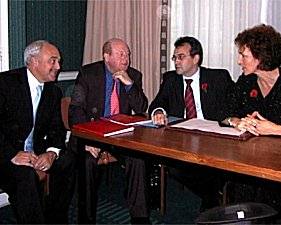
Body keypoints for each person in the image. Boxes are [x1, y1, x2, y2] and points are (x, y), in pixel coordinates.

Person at [222, 24, 281, 222]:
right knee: (240, 177)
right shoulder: (246, 81)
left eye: (244, 56)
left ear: (261, 57)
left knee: (256, 184)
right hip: (254, 156)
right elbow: (223, 112)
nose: (239, 61)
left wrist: (276, 129)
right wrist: (237, 121)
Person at [68, 38, 149, 224]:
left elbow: (142, 107)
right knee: (87, 162)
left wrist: (129, 84)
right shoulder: (88, 73)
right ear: (107, 56)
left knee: (138, 158)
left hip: (120, 136)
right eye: (121, 54)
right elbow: (76, 108)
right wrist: (87, 139)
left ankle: (140, 218)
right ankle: (86, 220)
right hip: (92, 134)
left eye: (127, 54)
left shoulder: (134, 75)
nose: (126, 58)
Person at [148, 36, 234, 211]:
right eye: (174, 57)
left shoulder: (218, 77)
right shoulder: (171, 79)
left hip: (212, 137)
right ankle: (212, 200)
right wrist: (158, 112)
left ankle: (211, 201)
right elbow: (158, 103)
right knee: (173, 165)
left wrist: (231, 119)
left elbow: (234, 105)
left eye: (181, 57)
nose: (176, 62)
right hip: (183, 138)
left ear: (196, 59)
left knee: (218, 165)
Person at [0, 40, 75, 224]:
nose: (58, 66)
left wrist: (51, 153)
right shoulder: (5, 84)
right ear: (33, 61)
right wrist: (13, 154)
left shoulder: (53, 92)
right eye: (53, 60)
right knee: (25, 176)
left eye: (58, 61)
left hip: (36, 152)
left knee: (68, 161)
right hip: (5, 153)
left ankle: (56, 218)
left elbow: (57, 129)